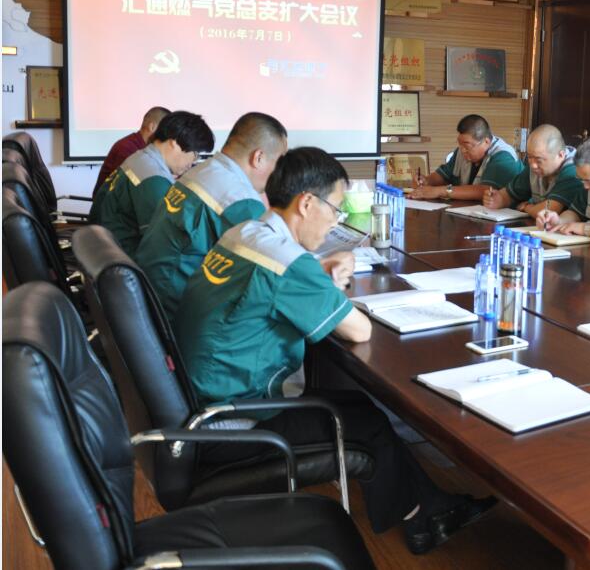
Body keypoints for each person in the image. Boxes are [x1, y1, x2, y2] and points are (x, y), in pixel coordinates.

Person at [172, 147, 493, 554]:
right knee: (366, 422)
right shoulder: (289, 263)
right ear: (307, 203)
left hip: (202, 399)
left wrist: (318, 278)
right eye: (335, 209)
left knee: (357, 406)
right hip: (233, 422)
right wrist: (322, 283)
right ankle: (423, 518)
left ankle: (424, 510)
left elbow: (272, 286)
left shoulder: (247, 234)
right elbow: (358, 330)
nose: (336, 221)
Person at [136, 112, 288, 316]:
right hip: (173, 308)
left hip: (149, 292)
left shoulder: (201, 171)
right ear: (258, 158)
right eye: (278, 163)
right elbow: (274, 271)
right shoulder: (240, 199)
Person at [91, 110, 214, 256]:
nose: (193, 162)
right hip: (124, 256)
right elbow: (165, 241)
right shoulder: (153, 179)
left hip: (104, 247)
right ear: (174, 143)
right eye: (195, 154)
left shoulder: (140, 158)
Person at [482, 124, 584, 219]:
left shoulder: (573, 170)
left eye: (539, 160)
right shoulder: (535, 167)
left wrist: (527, 208)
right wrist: (496, 199)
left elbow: (547, 211)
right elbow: (508, 195)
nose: (533, 165)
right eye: (530, 157)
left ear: (560, 155)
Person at [413, 114, 522, 201]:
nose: (462, 150)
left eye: (467, 145)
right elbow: (443, 175)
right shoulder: (461, 151)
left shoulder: (503, 156)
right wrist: (426, 181)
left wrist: (440, 191)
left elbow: (485, 191)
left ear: (486, 142)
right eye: (460, 144)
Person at [92, 106, 169, 197]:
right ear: (152, 127)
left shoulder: (146, 148)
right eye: (165, 131)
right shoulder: (126, 148)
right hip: (108, 203)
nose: (167, 137)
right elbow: (134, 184)